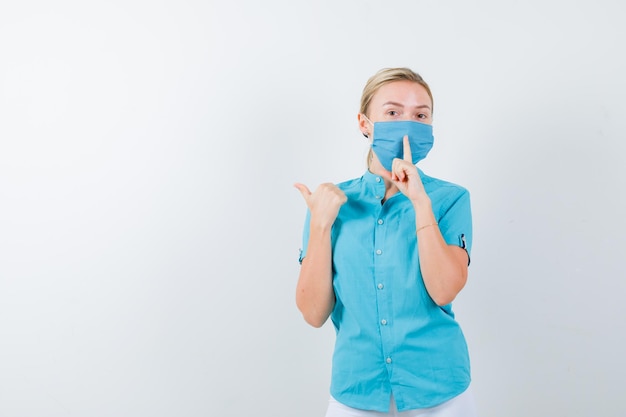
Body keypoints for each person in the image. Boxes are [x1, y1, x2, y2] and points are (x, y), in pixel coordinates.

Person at [294, 67, 478, 417]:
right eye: (393, 113)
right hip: (357, 391)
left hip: (440, 392)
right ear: (364, 123)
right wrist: (320, 227)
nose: (407, 123)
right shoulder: (331, 204)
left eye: (420, 115)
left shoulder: (450, 199)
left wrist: (420, 201)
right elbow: (313, 313)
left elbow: (444, 290)